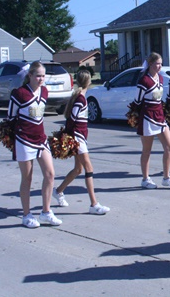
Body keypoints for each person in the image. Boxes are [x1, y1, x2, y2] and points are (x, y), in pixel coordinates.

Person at [8, 61, 62, 228]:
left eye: (43, 76)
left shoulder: (44, 91)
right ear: (30, 75)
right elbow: (11, 117)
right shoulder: (19, 93)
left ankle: (46, 212)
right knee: (27, 178)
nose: (41, 79)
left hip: (41, 139)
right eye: (38, 76)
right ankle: (26, 215)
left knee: (50, 174)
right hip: (24, 139)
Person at [52, 69, 110, 215]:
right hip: (77, 137)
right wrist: (68, 137)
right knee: (89, 168)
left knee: (78, 169)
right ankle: (94, 204)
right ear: (89, 81)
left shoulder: (79, 97)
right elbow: (72, 118)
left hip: (80, 136)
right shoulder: (81, 99)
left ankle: (58, 191)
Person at [135, 52, 170, 189]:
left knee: (169, 146)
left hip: (160, 116)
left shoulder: (160, 78)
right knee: (147, 150)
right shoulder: (144, 80)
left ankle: (166, 178)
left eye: (160, 64)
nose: (159, 66)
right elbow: (137, 101)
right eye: (157, 64)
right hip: (147, 117)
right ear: (150, 64)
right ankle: (145, 179)